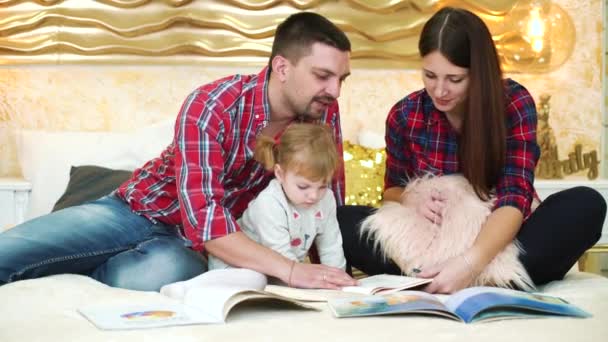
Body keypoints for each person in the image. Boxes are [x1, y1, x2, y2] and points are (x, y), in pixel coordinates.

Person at [0, 12, 356, 291]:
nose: (335, 90)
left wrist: (332, 275)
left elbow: (327, 203)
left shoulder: (322, 112)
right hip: (136, 212)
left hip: (190, 249)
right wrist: (292, 271)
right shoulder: (213, 105)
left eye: (341, 79)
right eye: (323, 75)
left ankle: (81, 273)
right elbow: (207, 221)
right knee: (10, 252)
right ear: (282, 67)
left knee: (154, 277)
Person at [337, 7, 606, 294]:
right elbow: (391, 191)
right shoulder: (406, 114)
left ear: (479, 72)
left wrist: (469, 263)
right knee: (343, 220)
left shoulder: (513, 103)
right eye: (430, 75)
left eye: (454, 79)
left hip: (504, 242)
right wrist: (412, 199)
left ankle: (460, 277)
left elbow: (515, 197)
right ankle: (446, 275)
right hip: (431, 242)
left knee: (587, 204)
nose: (439, 90)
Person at [208, 123, 347, 277]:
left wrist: (339, 279)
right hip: (235, 268)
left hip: (280, 271)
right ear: (280, 174)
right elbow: (282, 258)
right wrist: (305, 281)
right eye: (303, 186)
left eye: (322, 186)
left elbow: (331, 246)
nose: (314, 195)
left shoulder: (326, 199)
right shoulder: (269, 203)